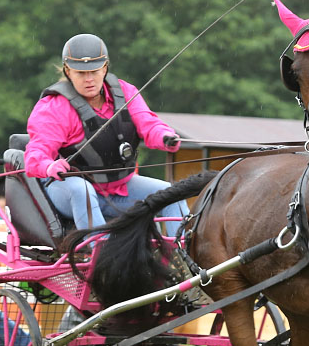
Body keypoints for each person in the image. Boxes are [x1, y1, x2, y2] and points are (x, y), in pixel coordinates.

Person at [19, 33, 188, 232]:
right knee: (82, 190)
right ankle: (102, 253)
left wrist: (165, 137)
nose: (89, 79)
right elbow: (35, 154)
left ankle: (181, 254)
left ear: (105, 68)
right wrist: (49, 166)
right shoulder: (53, 107)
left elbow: (149, 124)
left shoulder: (126, 91)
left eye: (95, 71)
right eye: (80, 73)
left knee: (170, 193)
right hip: (69, 192)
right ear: (67, 71)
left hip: (120, 188)